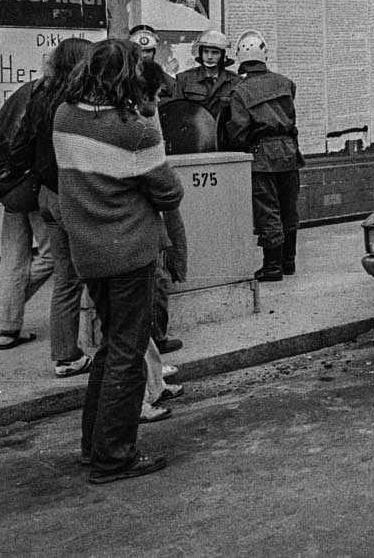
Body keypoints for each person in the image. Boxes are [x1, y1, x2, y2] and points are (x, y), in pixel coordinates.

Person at [55, 38, 182, 483]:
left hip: (88, 252)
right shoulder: (135, 131)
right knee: (128, 353)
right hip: (129, 251)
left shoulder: (64, 116)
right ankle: (114, 455)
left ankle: (94, 446)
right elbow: (169, 192)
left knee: (111, 347)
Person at [2, 37, 94, 375]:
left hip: (47, 195)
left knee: (66, 279)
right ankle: (121, 353)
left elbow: (19, 148)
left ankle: (66, 356)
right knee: (105, 277)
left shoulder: (40, 96)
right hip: (75, 195)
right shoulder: (80, 102)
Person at [225, 30, 302, 282]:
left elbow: (238, 132)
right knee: (289, 208)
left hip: (261, 157)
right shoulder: (286, 83)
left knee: (268, 210)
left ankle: (272, 267)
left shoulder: (240, 91)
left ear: (240, 57)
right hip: (289, 153)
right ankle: (288, 262)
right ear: (264, 55)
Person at [129, 25, 184, 353]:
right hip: (144, 202)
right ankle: (156, 339)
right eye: (140, 50)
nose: (145, 56)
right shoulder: (137, 123)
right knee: (155, 274)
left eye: (149, 50)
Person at [0, 74, 49, 350]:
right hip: (34, 186)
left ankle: (6, 327)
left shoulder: (26, 90)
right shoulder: (52, 96)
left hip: (11, 184)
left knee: (12, 255)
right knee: (53, 255)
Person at [168, 29, 240, 130]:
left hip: (223, 136)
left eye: (215, 53)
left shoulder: (235, 82)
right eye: (206, 52)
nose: (209, 57)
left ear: (223, 55)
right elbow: (176, 112)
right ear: (201, 53)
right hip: (194, 134)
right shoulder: (185, 79)